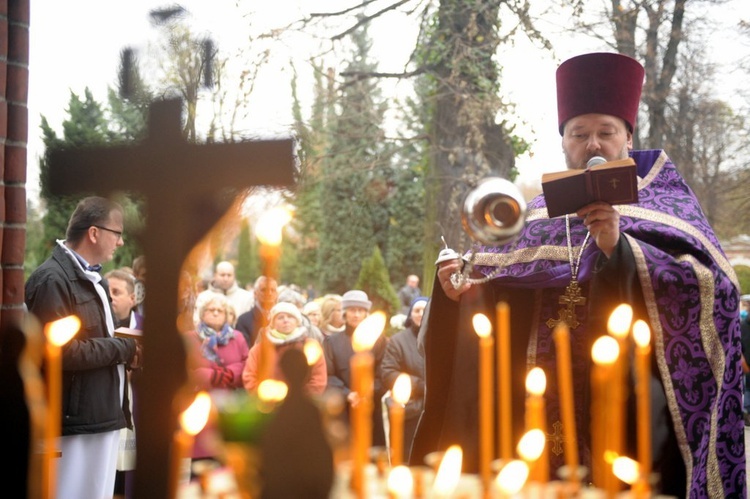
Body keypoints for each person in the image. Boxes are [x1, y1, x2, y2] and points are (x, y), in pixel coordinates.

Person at [411, 52, 745, 498]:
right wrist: (461, 288)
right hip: (539, 405)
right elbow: (494, 290)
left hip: (631, 400)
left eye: (606, 132)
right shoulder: (534, 213)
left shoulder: (668, 202)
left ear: (628, 136)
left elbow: (712, 288)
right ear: (564, 143)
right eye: (579, 134)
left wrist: (618, 248)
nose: (593, 145)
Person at [24, 196, 143, 499]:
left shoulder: (94, 277)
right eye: (117, 233)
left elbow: (96, 338)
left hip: (100, 416)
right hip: (73, 424)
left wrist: (126, 348)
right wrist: (123, 349)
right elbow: (61, 351)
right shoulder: (52, 279)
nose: (120, 243)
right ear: (94, 232)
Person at [184, 294, 249, 468]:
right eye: (211, 310)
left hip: (229, 403)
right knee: (201, 451)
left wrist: (228, 374)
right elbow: (185, 368)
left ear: (227, 315)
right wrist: (208, 375)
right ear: (203, 314)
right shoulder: (191, 337)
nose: (215, 313)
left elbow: (246, 364)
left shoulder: (238, 337)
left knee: (224, 452)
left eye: (220, 311)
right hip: (200, 400)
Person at [323, 290, 388, 446]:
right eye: (352, 310)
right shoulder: (332, 342)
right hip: (342, 408)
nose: (356, 315)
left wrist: (370, 389)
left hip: (372, 406)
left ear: (366, 314)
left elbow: (384, 371)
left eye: (360, 310)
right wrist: (348, 394)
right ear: (345, 313)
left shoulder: (380, 341)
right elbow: (328, 374)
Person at [105, 268, 144, 499]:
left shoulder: (147, 327)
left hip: (136, 404)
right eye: (107, 291)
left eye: (116, 291)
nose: (111, 296)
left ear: (133, 298)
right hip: (107, 404)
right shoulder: (97, 324)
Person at [380, 296, 428, 464]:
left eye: (425, 310)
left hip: (433, 409)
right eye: (417, 310)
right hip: (409, 410)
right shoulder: (398, 341)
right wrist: (418, 385)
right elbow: (388, 373)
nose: (421, 314)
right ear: (410, 314)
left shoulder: (440, 337)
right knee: (406, 460)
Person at [242, 301, 327, 395]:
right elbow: (250, 377)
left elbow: (318, 379)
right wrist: (265, 397)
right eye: (280, 317)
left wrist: (301, 398)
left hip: (303, 404)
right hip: (269, 405)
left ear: (297, 321)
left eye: (290, 317)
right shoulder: (259, 350)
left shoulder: (310, 346)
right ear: (272, 323)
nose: (286, 320)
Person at [194, 261, 254, 326]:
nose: (226, 279)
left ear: (234, 276)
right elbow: (197, 321)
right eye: (222, 275)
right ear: (215, 275)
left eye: (229, 275)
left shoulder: (247, 297)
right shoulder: (203, 297)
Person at [235, 276, 278, 347]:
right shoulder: (244, 321)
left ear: (276, 294)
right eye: (264, 290)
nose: (269, 293)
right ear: (255, 294)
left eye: (272, 290)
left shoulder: (284, 318)